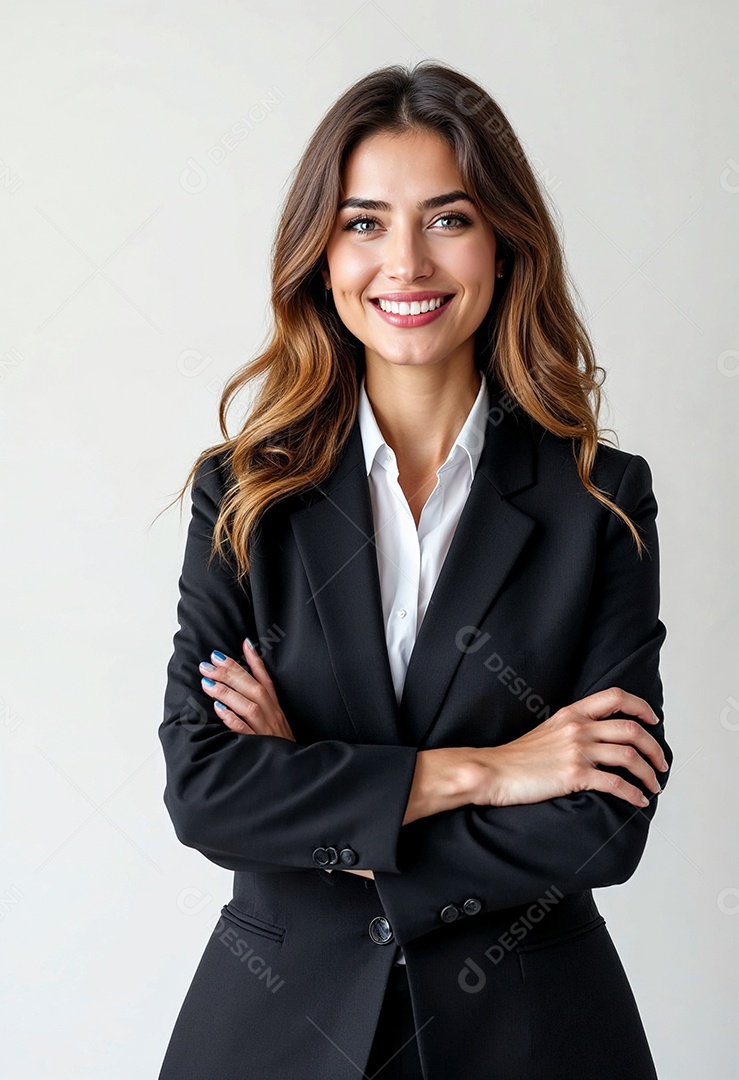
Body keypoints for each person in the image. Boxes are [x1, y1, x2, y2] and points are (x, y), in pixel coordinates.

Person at [156, 60, 672, 1080]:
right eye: (362, 224)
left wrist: (319, 796)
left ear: (503, 241)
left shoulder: (598, 498)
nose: (405, 263)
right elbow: (209, 791)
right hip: (273, 1032)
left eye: (447, 219)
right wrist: (490, 770)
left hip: (533, 1037)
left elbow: (601, 824)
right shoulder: (246, 495)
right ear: (321, 253)